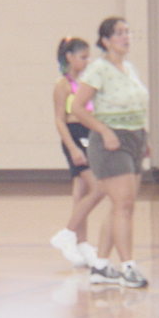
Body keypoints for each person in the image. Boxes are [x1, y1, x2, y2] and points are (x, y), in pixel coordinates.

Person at [71, 17, 148, 289]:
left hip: (135, 138)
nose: (125, 37)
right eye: (118, 33)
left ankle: (101, 266)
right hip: (111, 142)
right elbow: (77, 108)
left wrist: (144, 137)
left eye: (127, 32)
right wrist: (104, 131)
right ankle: (128, 266)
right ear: (105, 40)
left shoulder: (129, 68)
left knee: (122, 206)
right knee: (123, 205)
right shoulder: (98, 69)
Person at [50, 37, 105, 267]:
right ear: (70, 57)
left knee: (81, 193)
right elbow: (59, 120)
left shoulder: (88, 83)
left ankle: (81, 243)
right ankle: (68, 232)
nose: (87, 61)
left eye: (88, 57)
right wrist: (72, 147)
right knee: (98, 187)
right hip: (74, 136)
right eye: (83, 57)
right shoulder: (62, 85)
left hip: (89, 134)